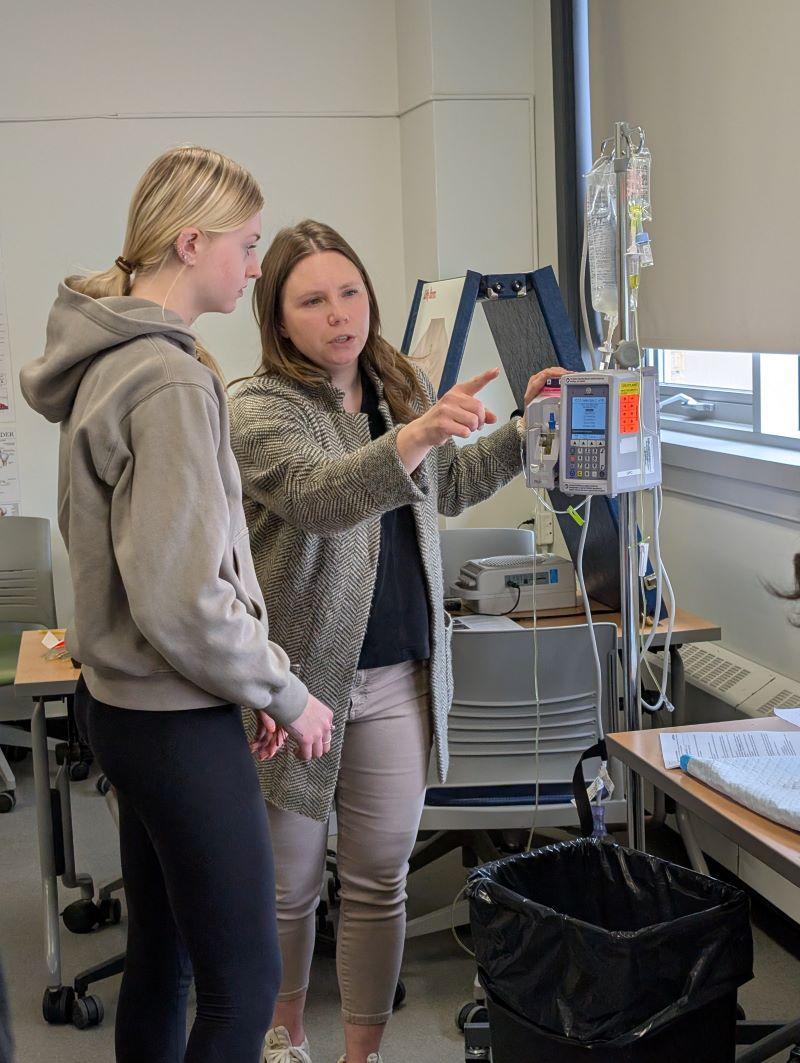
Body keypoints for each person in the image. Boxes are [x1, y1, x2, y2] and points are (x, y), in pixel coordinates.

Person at [20, 149, 333, 1063]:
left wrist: (243, 687)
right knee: (243, 989)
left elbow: (155, 573)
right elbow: (185, 596)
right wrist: (282, 690)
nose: (252, 264)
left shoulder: (110, 362)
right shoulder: (167, 381)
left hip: (128, 709)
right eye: (244, 245)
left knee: (162, 955)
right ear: (191, 242)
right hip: (173, 719)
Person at [228, 218, 566, 1063]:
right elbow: (321, 494)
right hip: (297, 690)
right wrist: (415, 432)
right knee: (289, 889)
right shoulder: (259, 406)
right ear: (277, 318)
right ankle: (285, 1040)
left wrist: (529, 428)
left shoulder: (396, 382)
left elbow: (444, 485)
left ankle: (362, 1054)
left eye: (350, 291)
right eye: (312, 300)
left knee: (379, 881)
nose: (339, 313)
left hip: (400, 676)